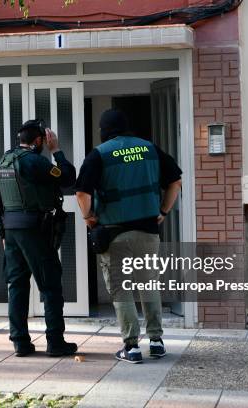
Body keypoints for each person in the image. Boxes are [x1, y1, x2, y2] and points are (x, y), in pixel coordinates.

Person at [75, 109, 182, 364]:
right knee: (148, 285)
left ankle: (131, 347)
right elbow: (175, 181)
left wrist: (88, 216)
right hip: (148, 231)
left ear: (104, 130)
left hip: (114, 234)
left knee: (122, 290)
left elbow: (81, 194)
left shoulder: (99, 154)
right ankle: (156, 341)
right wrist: (163, 211)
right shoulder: (150, 149)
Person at [0, 119, 78, 357]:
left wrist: (2, 234)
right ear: (39, 141)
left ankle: (20, 342)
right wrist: (57, 150)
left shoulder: (4, 161)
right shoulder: (35, 162)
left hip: (11, 232)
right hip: (35, 231)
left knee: (17, 286)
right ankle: (55, 342)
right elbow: (68, 177)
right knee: (50, 286)